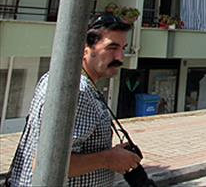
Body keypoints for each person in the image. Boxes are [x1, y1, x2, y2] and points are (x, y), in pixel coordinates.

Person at [7, 14, 142, 187]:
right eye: (112, 48)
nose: (120, 57)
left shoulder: (68, 80)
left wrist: (113, 155)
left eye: (123, 48)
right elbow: (46, 163)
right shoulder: (77, 90)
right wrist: (108, 159)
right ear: (85, 49)